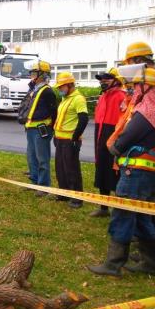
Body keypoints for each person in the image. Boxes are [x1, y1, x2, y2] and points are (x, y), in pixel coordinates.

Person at [88, 66, 155, 277]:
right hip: (153, 173)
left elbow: (124, 140)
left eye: (136, 85)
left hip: (136, 173)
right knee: (142, 217)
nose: (133, 89)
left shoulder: (146, 112)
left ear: (146, 87)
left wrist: (114, 148)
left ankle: (113, 263)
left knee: (122, 214)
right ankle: (149, 263)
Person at [124, 41, 155, 261]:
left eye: (131, 63)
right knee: (147, 198)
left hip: (154, 146)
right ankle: (149, 245)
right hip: (147, 144)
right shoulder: (149, 80)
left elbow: (154, 115)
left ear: (139, 61)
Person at [91, 68, 127, 217]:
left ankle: (119, 208)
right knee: (102, 172)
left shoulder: (122, 96)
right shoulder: (103, 97)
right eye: (101, 79)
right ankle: (103, 207)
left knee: (116, 173)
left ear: (117, 80)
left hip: (114, 137)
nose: (103, 82)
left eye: (107, 79)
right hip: (100, 136)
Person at [21, 60, 58, 196]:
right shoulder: (34, 89)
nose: (31, 75)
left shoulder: (47, 91)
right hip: (31, 128)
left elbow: (54, 112)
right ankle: (35, 182)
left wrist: (50, 128)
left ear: (42, 74)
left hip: (41, 129)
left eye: (34, 73)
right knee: (31, 157)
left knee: (42, 158)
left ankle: (43, 186)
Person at [52, 72, 88, 209]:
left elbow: (83, 119)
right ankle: (63, 193)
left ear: (69, 85)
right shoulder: (65, 99)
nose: (59, 89)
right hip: (60, 138)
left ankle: (77, 198)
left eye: (61, 86)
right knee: (60, 168)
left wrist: (75, 137)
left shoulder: (78, 99)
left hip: (70, 140)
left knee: (72, 169)